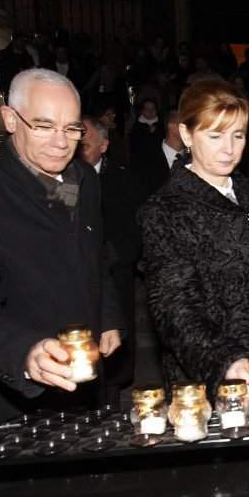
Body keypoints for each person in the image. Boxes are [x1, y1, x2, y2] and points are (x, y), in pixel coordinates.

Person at [0, 68, 124, 430]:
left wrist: (109, 315)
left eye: (71, 128)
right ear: (10, 119)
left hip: (86, 377)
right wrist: (25, 353)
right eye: (43, 125)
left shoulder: (83, 179)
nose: (60, 142)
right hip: (21, 398)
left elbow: (95, 254)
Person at [138, 79, 249, 398]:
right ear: (186, 134)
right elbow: (173, 306)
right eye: (215, 135)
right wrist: (226, 364)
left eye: (238, 135)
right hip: (203, 378)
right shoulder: (165, 209)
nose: (229, 148)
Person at [80, 117, 143, 406]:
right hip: (79, 278)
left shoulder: (122, 178)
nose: (80, 144)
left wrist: (114, 255)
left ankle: (111, 404)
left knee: (112, 350)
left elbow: (133, 229)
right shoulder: (66, 177)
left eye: (87, 141)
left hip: (114, 275)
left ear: (104, 145)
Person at [0, 33, 35, 103]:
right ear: (14, 41)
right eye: (20, 40)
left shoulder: (27, 55)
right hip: (10, 89)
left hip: (25, 90)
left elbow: (32, 71)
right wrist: (3, 89)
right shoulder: (4, 54)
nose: (22, 42)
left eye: (23, 40)